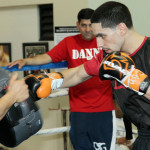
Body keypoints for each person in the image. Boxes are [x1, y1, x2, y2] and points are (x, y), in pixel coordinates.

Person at [40, 1, 150, 150]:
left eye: (102, 36)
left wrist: (133, 78)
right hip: (144, 137)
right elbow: (78, 74)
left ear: (121, 28)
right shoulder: (108, 57)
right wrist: (47, 81)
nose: (98, 43)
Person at [8, 8, 116, 150]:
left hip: (104, 108)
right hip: (79, 110)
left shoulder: (104, 42)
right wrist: (26, 61)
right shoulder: (69, 42)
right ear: (78, 25)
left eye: (91, 25)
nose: (88, 29)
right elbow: (47, 57)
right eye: (84, 25)